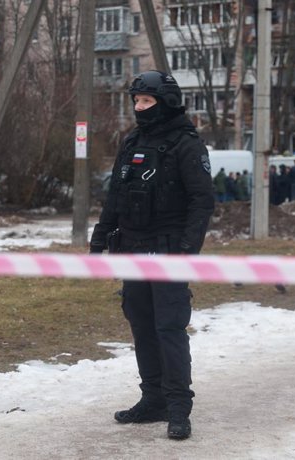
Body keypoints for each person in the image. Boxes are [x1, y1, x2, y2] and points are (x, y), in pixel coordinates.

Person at [89, 70, 215, 440]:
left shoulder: (186, 144)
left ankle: (178, 408)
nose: (139, 108)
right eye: (136, 101)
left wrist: (187, 250)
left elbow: (201, 201)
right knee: (142, 325)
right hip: (131, 246)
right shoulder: (131, 142)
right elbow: (115, 198)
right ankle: (153, 399)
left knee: (168, 328)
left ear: (166, 102)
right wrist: (98, 242)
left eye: (146, 101)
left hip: (169, 248)